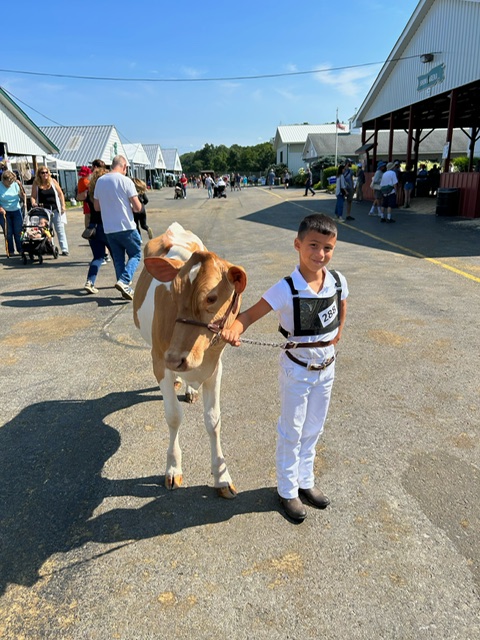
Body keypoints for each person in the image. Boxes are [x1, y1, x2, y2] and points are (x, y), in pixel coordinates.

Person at [222, 214, 348, 523]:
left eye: (328, 248)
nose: (320, 254)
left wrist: (338, 334)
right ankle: (288, 490)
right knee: (292, 430)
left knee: (314, 427)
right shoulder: (286, 287)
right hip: (297, 371)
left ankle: (306, 481)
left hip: (327, 369)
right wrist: (234, 328)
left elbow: (342, 304)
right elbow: (250, 315)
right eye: (313, 246)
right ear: (298, 245)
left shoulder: (337, 280)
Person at [93, 155, 142, 301]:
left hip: (109, 228)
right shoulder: (126, 181)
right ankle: (125, 281)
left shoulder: (100, 181)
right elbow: (138, 207)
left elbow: (96, 207)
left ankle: (124, 288)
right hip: (126, 226)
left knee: (118, 259)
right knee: (136, 253)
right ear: (124, 166)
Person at [30, 165, 69, 255]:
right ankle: (50, 247)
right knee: (46, 230)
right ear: (39, 174)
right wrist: (33, 203)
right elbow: (33, 196)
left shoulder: (53, 181)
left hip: (55, 209)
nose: (45, 174)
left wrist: (63, 205)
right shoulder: (36, 183)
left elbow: (60, 194)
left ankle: (64, 249)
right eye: (42, 173)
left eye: (46, 172)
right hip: (44, 211)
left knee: (60, 229)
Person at [0, 170, 26, 256]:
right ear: (3, 180)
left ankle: (21, 249)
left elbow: (22, 196)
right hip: (4, 211)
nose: (10, 184)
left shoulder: (15, 185)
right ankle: (10, 251)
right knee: (8, 232)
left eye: (12, 181)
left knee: (18, 231)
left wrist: (21, 187)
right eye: (9, 182)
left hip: (16, 210)